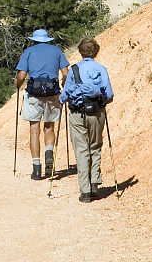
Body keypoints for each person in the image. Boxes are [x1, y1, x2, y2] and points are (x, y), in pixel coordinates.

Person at [59, 37, 113, 203]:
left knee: (81, 150)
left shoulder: (75, 69)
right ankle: (95, 184)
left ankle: (85, 191)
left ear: (80, 52)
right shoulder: (101, 68)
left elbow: (65, 94)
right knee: (95, 146)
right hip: (97, 113)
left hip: (77, 114)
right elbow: (109, 95)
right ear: (96, 52)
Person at [15, 28, 69, 180]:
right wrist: (64, 84)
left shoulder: (28, 52)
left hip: (34, 94)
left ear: (34, 40)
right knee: (49, 126)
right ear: (47, 40)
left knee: (34, 129)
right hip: (52, 93)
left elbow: (22, 75)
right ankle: (49, 154)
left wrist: (18, 85)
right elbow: (65, 72)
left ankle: (36, 169)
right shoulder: (57, 51)